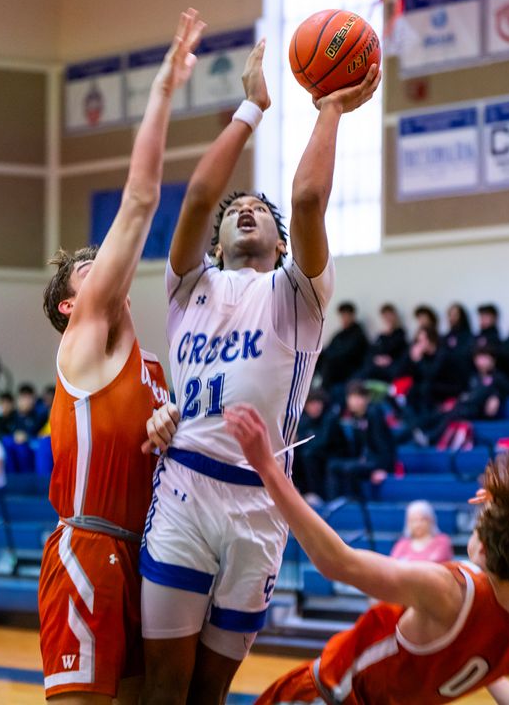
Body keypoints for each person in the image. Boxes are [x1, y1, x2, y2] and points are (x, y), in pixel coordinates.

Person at [141, 37, 380, 704]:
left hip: (260, 506)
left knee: (210, 693)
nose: (247, 209)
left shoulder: (296, 295)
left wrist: (330, 107)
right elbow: (193, 201)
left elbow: (307, 198)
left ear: (281, 244)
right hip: (186, 488)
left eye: (261, 212)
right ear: (216, 243)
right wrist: (251, 106)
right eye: (235, 211)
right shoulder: (190, 285)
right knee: (166, 690)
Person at [36, 8, 199, 705]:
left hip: (148, 556)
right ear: (71, 307)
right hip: (89, 552)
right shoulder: (82, 342)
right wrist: (163, 90)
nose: (99, 268)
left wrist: (170, 436)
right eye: (85, 270)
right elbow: (139, 199)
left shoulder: (155, 369)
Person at [228, 404, 509, 705]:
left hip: (326, 696)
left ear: (484, 546)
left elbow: (337, 562)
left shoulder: (448, 590)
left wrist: (268, 469)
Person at [323, 381, 395, 501]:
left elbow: (385, 445)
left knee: (350, 469)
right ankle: (333, 503)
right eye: (351, 397)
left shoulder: (374, 414)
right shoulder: (356, 417)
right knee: (333, 465)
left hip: (377, 462)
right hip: (366, 460)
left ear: (366, 399)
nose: (353, 401)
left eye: (357, 397)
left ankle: (354, 502)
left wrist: (382, 469)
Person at [294, 387, 336, 505]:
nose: (315, 407)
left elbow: (324, 442)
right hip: (310, 454)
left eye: (317, 403)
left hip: (329, 454)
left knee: (308, 455)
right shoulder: (303, 421)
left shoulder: (330, 418)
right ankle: (297, 490)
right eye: (311, 403)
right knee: (295, 454)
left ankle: (317, 495)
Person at [316, 301, 369, 394]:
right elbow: (329, 349)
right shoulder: (339, 335)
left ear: (352, 316)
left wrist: (330, 355)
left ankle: (323, 391)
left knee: (329, 362)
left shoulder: (358, 335)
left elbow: (347, 354)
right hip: (335, 366)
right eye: (342, 316)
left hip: (349, 369)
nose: (344, 319)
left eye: (346, 315)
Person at [359, 303, 407, 381]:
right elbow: (372, 351)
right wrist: (376, 359)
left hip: (391, 367)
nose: (388, 318)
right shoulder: (381, 335)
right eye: (385, 316)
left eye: (390, 315)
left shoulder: (400, 334)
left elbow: (392, 349)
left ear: (395, 316)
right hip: (377, 366)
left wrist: (386, 335)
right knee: (363, 372)